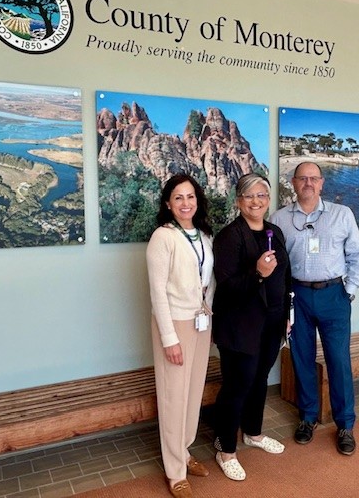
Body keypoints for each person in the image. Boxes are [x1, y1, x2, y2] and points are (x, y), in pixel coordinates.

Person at [270, 162, 359, 456]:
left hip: (334, 295)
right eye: (302, 178)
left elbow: (357, 255)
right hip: (296, 296)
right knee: (302, 358)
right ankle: (308, 417)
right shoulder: (279, 219)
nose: (308, 183)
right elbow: (275, 264)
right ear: (293, 183)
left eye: (313, 178)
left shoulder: (342, 214)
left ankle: (345, 425)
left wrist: (349, 292)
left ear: (322, 183)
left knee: (339, 361)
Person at [211, 173, 292, 481]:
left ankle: (253, 433)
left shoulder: (275, 232)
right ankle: (226, 449)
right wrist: (258, 273)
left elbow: (285, 277)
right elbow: (227, 288)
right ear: (238, 202)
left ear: (268, 200)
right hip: (240, 325)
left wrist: (287, 313)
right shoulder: (229, 237)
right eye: (249, 196)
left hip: (272, 322)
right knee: (238, 384)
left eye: (262, 195)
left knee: (259, 380)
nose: (256, 201)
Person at [146, 174, 216, 498]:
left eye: (190, 196)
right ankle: (175, 472)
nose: (185, 203)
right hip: (175, 324)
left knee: (192, 393)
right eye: (178, 197)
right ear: (168, 203)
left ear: (197, 200)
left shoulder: (204, 235)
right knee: (173, 397)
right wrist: (169, 338)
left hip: (201, 322)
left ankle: (184, 452)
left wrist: (208, 314)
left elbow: (208, 281)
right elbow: (157, 292)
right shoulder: (163, 237)